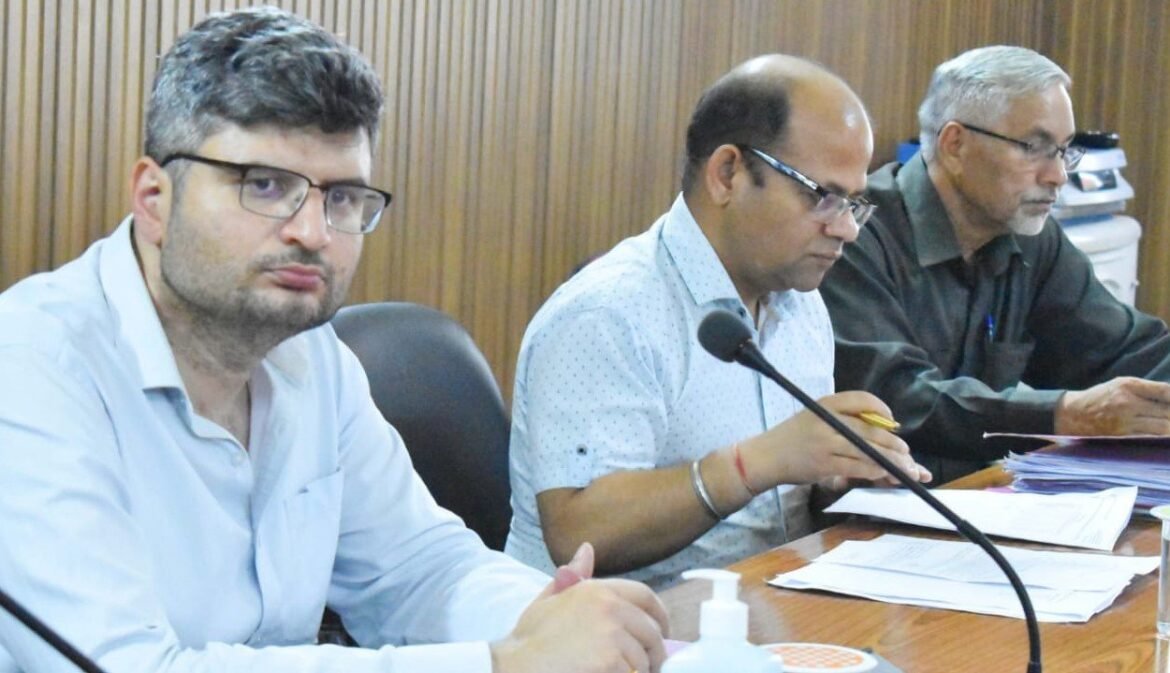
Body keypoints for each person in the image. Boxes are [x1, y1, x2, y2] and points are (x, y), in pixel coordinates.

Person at [0, 8, 669, 673]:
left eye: (343, 197)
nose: (314, 233)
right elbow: (124, 666)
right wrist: (501, 663)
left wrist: (549, 617)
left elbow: (419, 569)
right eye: (266, 186)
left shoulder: (313, 355)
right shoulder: (31, 365)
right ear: (154, 198)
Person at [505, 54, 930, 591]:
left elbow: (784, 509)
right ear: (728, 174)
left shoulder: (800, 302)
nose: (847, 229)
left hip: (768, 603)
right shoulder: (609, 314)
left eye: (853, 203)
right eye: (824, 197)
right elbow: (578, 532)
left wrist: (840, 474)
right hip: (619, 625)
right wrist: (757, 463)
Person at [820, 45, 1170, 484]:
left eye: (1064, 151)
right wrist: (1064, 415)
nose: (1058, 175)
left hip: (984, 500)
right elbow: (896, 400)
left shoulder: (1032, 239)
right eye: (1035, 148)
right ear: (955, 145)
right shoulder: (854, 233)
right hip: (872, 510)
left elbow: (1126, 351)